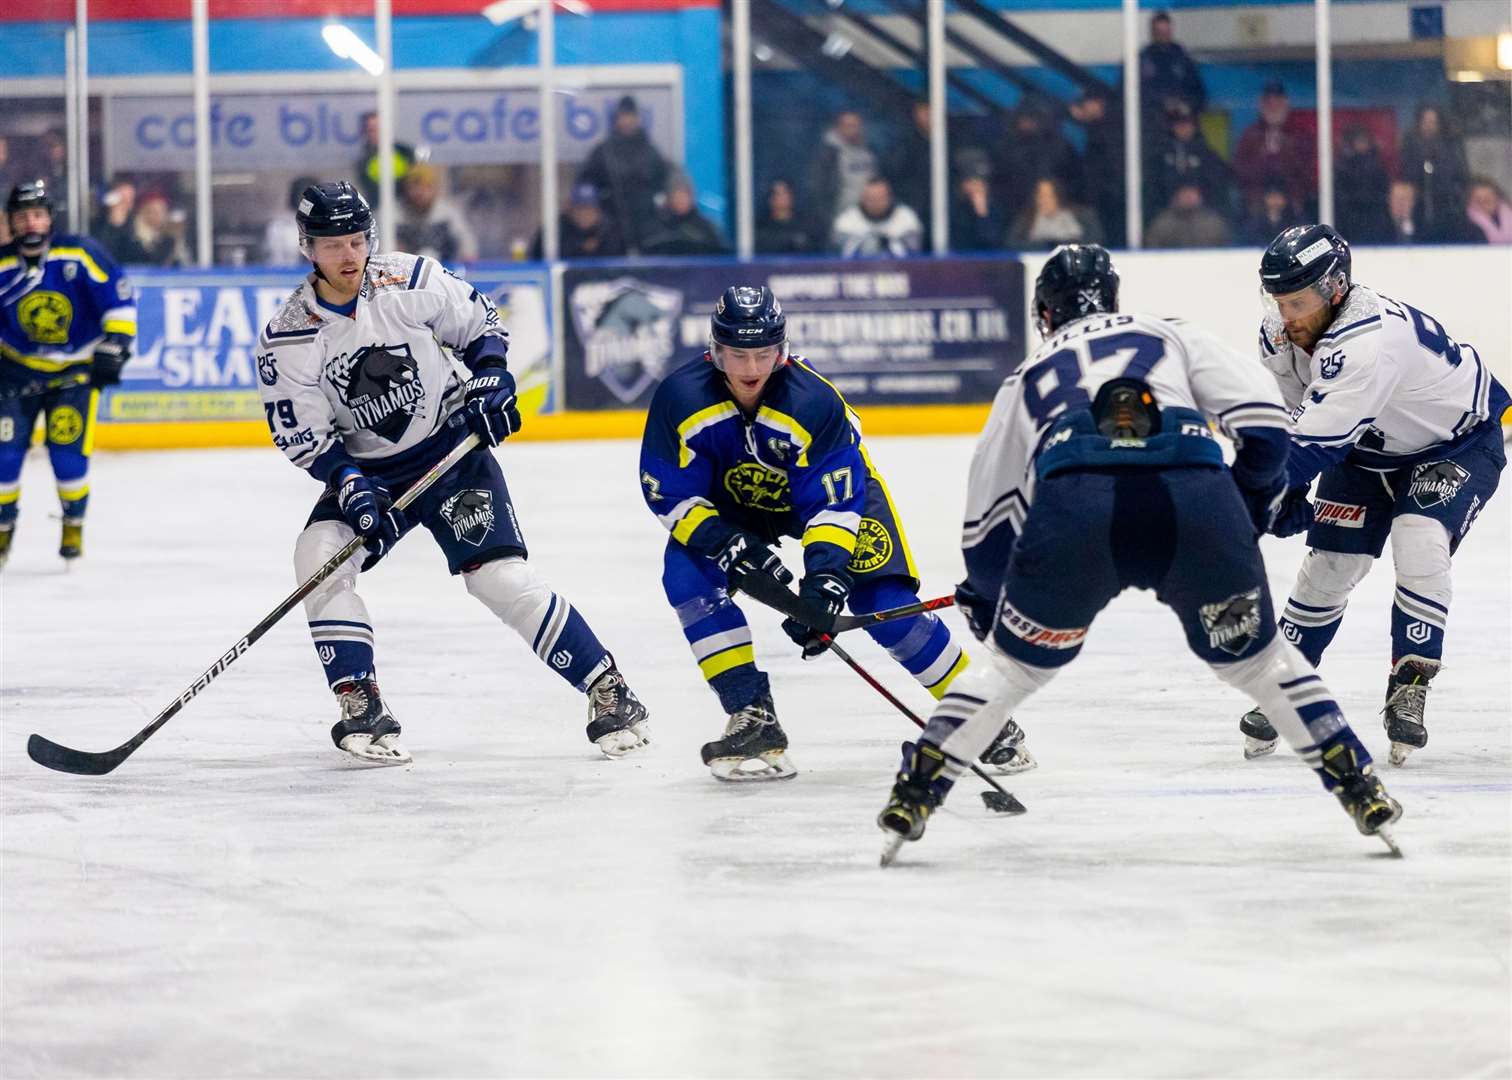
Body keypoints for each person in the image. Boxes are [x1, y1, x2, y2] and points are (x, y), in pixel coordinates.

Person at [874, 244, 1404, 865]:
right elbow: (1263, 426)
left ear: (1044, 315)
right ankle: (1357, 783)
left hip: (1078, 513)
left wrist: (990, 600)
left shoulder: (1025, 376)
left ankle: (918, 790)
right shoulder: (1166, 333)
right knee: (1261, 664)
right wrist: (1247, 508)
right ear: (1116, 298)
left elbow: (988, 525)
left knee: (1012, 671)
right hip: (1192, 501)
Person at [255, 180, 650, 765]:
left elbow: (481, 325)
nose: (348, 255)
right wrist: (349, 482)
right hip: (372, 474)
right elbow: (305, 436)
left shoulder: (408, 280)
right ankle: (361, 701)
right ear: (307, 247)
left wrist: (492, 377)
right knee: (317, 554)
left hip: (451, 452)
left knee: (498, 579)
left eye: (357, 240)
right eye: (333, 243)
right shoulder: (290, 336)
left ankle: (607, 688)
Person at [638, 285, 1032, 782]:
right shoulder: (681, 398)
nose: (751, 369)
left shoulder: (814, 402)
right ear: (715, 350)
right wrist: (726, 542)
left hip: (832, 502)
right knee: (687, 578)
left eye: (763, 353)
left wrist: (824, 580)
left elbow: (833, 502)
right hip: (735, 507)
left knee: (881, 605)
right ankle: (751, 714)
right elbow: (668, 492)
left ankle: (984, 717)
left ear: (781, 350)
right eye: (738, 354)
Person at [1238, 225, 1507, 766]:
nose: (1288, 315)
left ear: (1336, 289)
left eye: (1301, 300)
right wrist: (1283, 488)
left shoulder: (1368, 339)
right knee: (1330, 565)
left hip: (1456, 443)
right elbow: (1306, 419)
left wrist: (1242, 499)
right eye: (1280, 299)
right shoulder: (1277, 334)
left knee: (1419, 538)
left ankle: (1411, 680)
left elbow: (1314, 442)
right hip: (1368, 447)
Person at [0, 180, 135, 567]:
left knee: (67, 457)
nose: (30, 224)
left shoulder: (79, 254)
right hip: (15, 374)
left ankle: (72, 524)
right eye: (22, 216)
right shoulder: (3, 265)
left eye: (37, 215)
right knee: (5, 459)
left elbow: (119, 299)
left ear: (49, 220)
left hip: (72, 376)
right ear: (12, 221)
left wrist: (115, 345)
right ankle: (3, 528)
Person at [576, 95, 671, 254]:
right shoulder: (603, 152)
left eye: (630, 116)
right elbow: (584, 184)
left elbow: (663, 184)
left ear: (637, 119)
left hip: (646, 229)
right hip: (611, 230)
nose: (626, 121)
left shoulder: (651, 152)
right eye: (622, 116)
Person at [1233, 81, 1312, 217]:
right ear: (1262, 106)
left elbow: (1306, 170)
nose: (1274, 107)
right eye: (1269, 103)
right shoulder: (1250, 136)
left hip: (1293, 201)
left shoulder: (1299, 135)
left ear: (1286, 104)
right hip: (1256, 202)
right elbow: (1240, 170)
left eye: (1278, 103)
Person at [1398, 105, 1469, 243]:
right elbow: (1407, 175)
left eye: (1433, 122)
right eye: (1426, 122)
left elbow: (1461, 174)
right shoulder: (1410, 145)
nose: (1429, 126)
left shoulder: (1451, 145)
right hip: (1420, 209)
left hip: (1449, 208)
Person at [805, 110, 879, 242]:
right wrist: (828, 219)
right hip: (840, 219)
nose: (852, 130)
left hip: (871, 219)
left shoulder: (870, 151)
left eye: (856, 125)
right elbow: (818, 190)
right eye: (848, 125)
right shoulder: (828, 154)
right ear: (838, 127)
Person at [395, 164, 478, 264]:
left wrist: (466, 258)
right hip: (405, 272)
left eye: (425, 187)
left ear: (434, 189)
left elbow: (468, 247)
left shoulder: (447, 213)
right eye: (414, 187)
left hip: (445, 271)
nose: (419, 192)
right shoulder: (394, 214)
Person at [529, 182, 625, 260]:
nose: (584, 215)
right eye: (580, 209)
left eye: (589, 209)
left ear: (598, 211)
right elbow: (537, 256)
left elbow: (619, 259)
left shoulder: (610, 230)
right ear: (570, 210)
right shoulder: (556, 228)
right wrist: (579, 248)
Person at [832, 176, 922, 258]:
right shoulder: (846, 221)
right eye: (871, 199)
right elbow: (841, 257)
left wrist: (888, 244)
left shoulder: (906, 218)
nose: (875, 203)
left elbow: (912, 256)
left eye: (880, 198)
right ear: (862, 198)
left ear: (889, 198)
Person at [1139, 10, 1205, 119]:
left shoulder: (1182, 57)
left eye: (1166, 31)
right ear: (1152, 32)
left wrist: (1187, 105)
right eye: (1159, 31)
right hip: (1153, 120)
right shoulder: (1143, 59)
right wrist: (1162, 103)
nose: (1163, 35)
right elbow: (1140, 94)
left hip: (1182, 118)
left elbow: (1198, 91)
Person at [641, 175, 727, 256]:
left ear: (691, 197)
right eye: (676, 196)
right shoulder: (657, 227)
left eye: (684, 196)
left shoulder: (706, 228)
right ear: (669, 198)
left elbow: (719, 255)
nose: (680, 201)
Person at [1334, 128, 1392, 244]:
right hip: (1352, 219)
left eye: (1364, 141)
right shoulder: (1344, 167)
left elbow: (1383, 190)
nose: (1362, 145)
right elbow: (1340, 194)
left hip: (1374, 217)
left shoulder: (1376, 166)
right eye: (1359, 141)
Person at [1007, 177, 1102, 250]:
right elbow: (1011, 243)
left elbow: (1096, 240)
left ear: (1058, 196)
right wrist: (1043, 246)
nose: (1044, 201)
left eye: (1049, 196)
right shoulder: (1026, 219)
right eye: (1040, 196)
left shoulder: (1082, 215)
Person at [352, 111, 416, 208]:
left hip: (407, 208)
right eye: (371, 130)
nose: (376, 133)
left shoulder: (405, 152)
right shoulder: (363, 161)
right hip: (378, 208)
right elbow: (369, 190)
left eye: (380, 129)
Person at [1145, 182, 1232, 248]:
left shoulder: (1213, 223)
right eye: (1185, 193)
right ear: (1176, 197)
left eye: (1192, 193)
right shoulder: (1163, 223)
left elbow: (1226, 247)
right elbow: (1152, 248)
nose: (1189, 197)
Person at [755, 179, 818, 256]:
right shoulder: (762, 226)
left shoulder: (806, 224)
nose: (782, 198)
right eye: (777, 194)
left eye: (785, 193)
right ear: (770, 199)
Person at [1464, 177, 1512, 245]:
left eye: (1488, 199)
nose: (1483, 203)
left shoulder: (1509, 215)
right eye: (1478, 200)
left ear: (1497, 199)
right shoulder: (1466, 225)